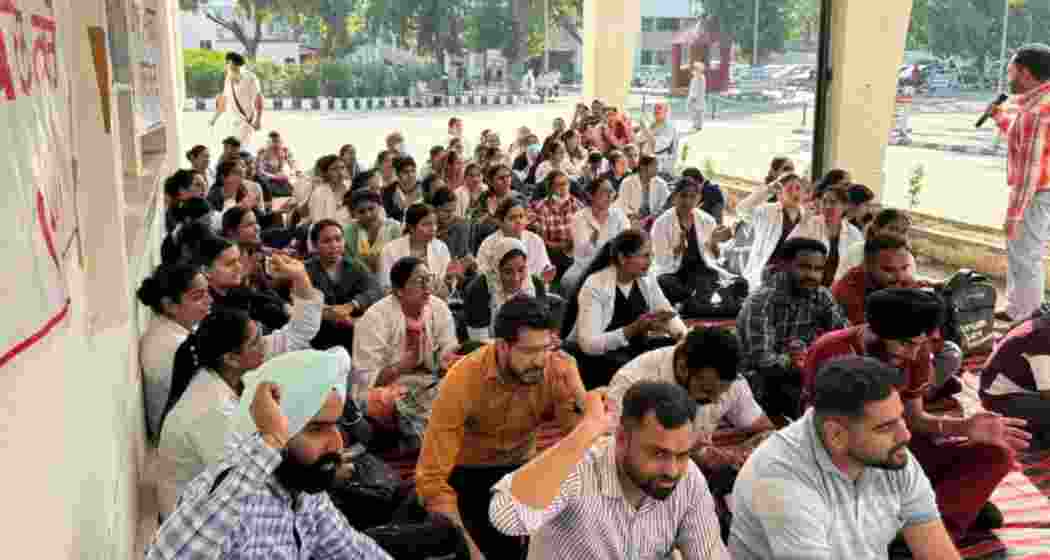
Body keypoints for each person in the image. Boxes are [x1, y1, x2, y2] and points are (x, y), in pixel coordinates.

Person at [802, 288, 1031, 543]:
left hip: (898, 451)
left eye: (920, 344)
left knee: (996, 454)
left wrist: (964, 427)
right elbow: (822, 434)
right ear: (875, 331)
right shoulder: (833, 351)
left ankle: (932, 526)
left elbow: (915, 419)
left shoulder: (916, 349)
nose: (913, 355)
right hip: (850, 457)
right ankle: (937, 512)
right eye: (905, 344)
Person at [145, 351, 394, 559]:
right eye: (317, 429)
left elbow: (352, 549)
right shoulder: (235, 497)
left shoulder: (303, 492)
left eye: (335, 426)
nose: (336, 443)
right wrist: (271, 441)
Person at [730, 356, 960, 560]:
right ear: (836, 435)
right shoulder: (780, 478)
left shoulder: (891, 455)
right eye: (885, 427)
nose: (905, 435)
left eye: (900, 418)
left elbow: (937, 552)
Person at [417, 295, 587, 560]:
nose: (539, 360)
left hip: (522, 468)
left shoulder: (554, 368)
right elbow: (431, 479)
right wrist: (471, 554)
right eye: (529, 351)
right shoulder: (463, 379)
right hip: (469, 472)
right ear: (503, 346)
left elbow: (583, 444)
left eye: (545, 348)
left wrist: (577, 389)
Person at [155, 254, 323, 516]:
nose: (264, 343)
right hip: (199, 521)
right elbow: (241, 483)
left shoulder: (230, 372)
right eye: (256, 341)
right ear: (231, 358)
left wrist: (300, 278)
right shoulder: (211, 409)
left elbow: (298, 333)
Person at [490, 380, 728, 559]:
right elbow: (506, 519)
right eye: (658, 454)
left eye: (682, 455)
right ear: (622, 438)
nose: (673, 470)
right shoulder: (579, 466)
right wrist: (587, 429)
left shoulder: (689, 479)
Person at [607, 328, 774, 534]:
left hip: (701, 482)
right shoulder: (631, 381)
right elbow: (613, 456)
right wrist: (689, 453)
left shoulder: (729, 382)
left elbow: (766, 431)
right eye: (706, 391)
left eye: (721, 393)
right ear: (683, 367)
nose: (715, 400)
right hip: (642, 488)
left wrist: (739, 454)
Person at [832, 236, 964, 400]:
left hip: (906, 349)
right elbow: (877, 341)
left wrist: (923, 348)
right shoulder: (848, 290)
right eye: (889, 270)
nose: (899, 277)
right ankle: (920, 391)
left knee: (951, 352)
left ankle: (921, 389)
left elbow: (923, 331)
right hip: (874, 355)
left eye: (904, 268)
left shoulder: (904, 282)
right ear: (867, 265)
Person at [737, 237, 848, 420]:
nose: (812, 275)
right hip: (762, 383)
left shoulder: (821, 295)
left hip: (802, 374)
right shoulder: (762, 301)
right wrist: (797, 361)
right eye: (804, 267)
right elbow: (762, 361)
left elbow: (843, 336)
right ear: (784, 265)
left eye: (818, 269)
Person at [565, 229, 688, 388]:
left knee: (677, 352)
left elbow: (666, 311)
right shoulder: (595, 285)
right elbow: (589, 345)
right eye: (644, 256)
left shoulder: (647, 279)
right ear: (623, 258)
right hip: (602, 358)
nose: (650, 262)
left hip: (635, 349)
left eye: (651, 255)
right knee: (634, 369)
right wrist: (634, 328)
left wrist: (682, 337)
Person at [988, 44, 1050, 323]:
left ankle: (1026, 319)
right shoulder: (1039, 103)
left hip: (1036, 192)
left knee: (1026, 256)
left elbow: (1029, 171)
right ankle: (1017, 308)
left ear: (1025, 73)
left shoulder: (1036, 111)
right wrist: (999, 117)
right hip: (1041, 190)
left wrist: (1013, 216)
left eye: (1010, 71)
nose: (1008, 77)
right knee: (1022, 253)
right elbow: (1022, 137)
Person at [351, 257, 458, 411]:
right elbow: (364, 380)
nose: (427, 286)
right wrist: (400, 367)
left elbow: (449, 348)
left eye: (428, 279)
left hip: (430, 383)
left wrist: (449, 360)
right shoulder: (374, 318)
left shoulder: (439, 308)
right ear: (399, 290)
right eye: (419, 281)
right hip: (387, 390)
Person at [137, 263, 213, 442]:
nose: (209, 300)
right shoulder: (174, 345)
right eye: (198, 297)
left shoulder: (168, 329)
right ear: (170, 305)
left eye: (208, 293)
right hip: (179, 438)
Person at [306, 219, 383, 352]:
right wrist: (329, 312)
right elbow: (300, 302)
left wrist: (352, 305)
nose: (334, 245)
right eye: (326, 241)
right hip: (318, 336)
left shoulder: (356, 266)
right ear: (315, 245)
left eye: (338, 239)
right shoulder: (305, 270)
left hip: (353, 332)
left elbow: (376, 291)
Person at [980, 313, 1050, 451]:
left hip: (1017, 389)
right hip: (1001, 398)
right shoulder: (1044, 337)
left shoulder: (1043, 322)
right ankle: (1027, 440)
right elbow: (1047, 392)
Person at [735, 172, 811, 292]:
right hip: (765, 276)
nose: (794, 193)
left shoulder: (806, 217)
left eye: (798, 188)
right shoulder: (767, 211)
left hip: (793, 278)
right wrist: (768, 190)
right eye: (789, 189)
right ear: (779, 193)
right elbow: (742, 210)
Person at [463, 237, 548, 341]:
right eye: (508, 272)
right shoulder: (479, 289)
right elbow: (479, 341)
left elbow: (543, 329)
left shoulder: (535, 284)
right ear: (496, 269)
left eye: (521, 270)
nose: (516, 278)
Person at [651, 178, 730, 289]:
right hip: (674, 273)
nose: (687, 201)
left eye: (692, 197)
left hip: (702, 271)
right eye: (683, 196)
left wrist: (714, 242)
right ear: (674, 197)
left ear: (699, 198)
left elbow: (716, 257)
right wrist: (678, 249)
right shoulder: (661, 223)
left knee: (731, 283)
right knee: (664, 282)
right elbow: (660, 260)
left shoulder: (708, 221)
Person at [561, 179, 629, 298]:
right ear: (591, 195)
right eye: (604, 191)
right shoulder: (579, 218)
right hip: (585, 266)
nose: (609, 195)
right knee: (568, 281)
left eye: (611, 191)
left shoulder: (619, 215)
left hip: (615, 264)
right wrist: (591, 242)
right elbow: (581, 253)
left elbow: (627, 242)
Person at [788, 186, 865, 287]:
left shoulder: (854, 233)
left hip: (838, 287)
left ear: (845, 206)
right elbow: (788, 248)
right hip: (806, 283)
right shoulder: (809, 223)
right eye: (824, 202)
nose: (827, 206)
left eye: (833, 202)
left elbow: (859, 262)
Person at [378, 203, 452, 293]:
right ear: (411, 227)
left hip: (434, 299)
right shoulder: (390, 250)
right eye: (426, 224)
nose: (433, 229)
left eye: (435, 224)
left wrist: (450, 280)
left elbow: (445, 286)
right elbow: (386, 286)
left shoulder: (441, 248)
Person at [477, 197, 554, 281]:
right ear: (500, 222)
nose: (518, 221)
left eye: (521, 216)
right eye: (512, 218)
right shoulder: (489, 244)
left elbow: (543, 270)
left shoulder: (535, 240)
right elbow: (482, 274)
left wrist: (546, 273)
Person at [530, 170, 584, 281]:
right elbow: (542, 242)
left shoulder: (577, 204)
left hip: (575, 250)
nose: (564, 187)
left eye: (566, 183)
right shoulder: (542, 207)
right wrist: (563, 246)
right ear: (551, 188)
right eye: (559, 184)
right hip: (554, 253)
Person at [209, 52, 264, 148]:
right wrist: (214, 119)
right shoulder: (228, 79)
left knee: (240, 148)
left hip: (246, 121)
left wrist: (258, 120)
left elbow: (258, 98)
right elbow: (224, 100)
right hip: (231, 121)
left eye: (227, 63)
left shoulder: (250, 77)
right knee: (231, 149)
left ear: (232, 63)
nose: (225, 66)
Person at [343, 190, 402, 274]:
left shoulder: (394, 227)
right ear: (353, 214)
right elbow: (347, 261)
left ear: (380, 207)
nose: (368, 215)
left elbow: (400, 258)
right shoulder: (347, 231)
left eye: (371, 209)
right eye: (361, 212)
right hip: (358, 277)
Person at [842, 206, 912, 271]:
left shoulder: (907, 257)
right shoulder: (857, 250)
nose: (898, 235)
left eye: (903, 231)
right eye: (892, 229)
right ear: (876, 229)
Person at [616, 155, 669, 230]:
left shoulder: (661, 184)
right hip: (631, 219)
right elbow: (622, 204)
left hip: (654, 220)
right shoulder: (627, 182)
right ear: (643, 167)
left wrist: (653, 216)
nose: (657, 168)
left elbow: (665, 204)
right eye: (654, 166)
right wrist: (632, 215)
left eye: (657, 166)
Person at [383, 156, 429, 222]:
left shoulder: (424, 188)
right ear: (398, 174)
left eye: (413, 171)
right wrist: (405, 204)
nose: (411, 175)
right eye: (406, 172)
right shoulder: (388, 192)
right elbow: (388, 215)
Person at [688, 63, 706, 131]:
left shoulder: (699, 78)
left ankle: (697, 125)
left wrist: (693, 97)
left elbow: (696, 89)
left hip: (696, 98)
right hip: (698, 98)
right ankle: (697, 125)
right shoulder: (698, 78)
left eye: (695, 69)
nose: (693, 71)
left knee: (696, 112)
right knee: (697, 112)